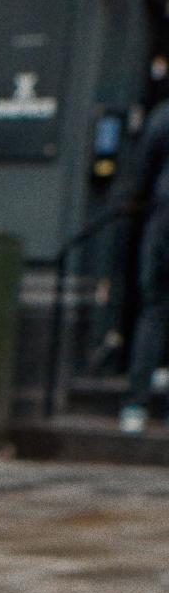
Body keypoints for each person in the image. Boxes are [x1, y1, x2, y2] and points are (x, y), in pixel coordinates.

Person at [116, 93, 169, 435]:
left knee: (153, 310)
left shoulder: (163, 114)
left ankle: (136, 403)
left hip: (162, 221)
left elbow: (141, 169)